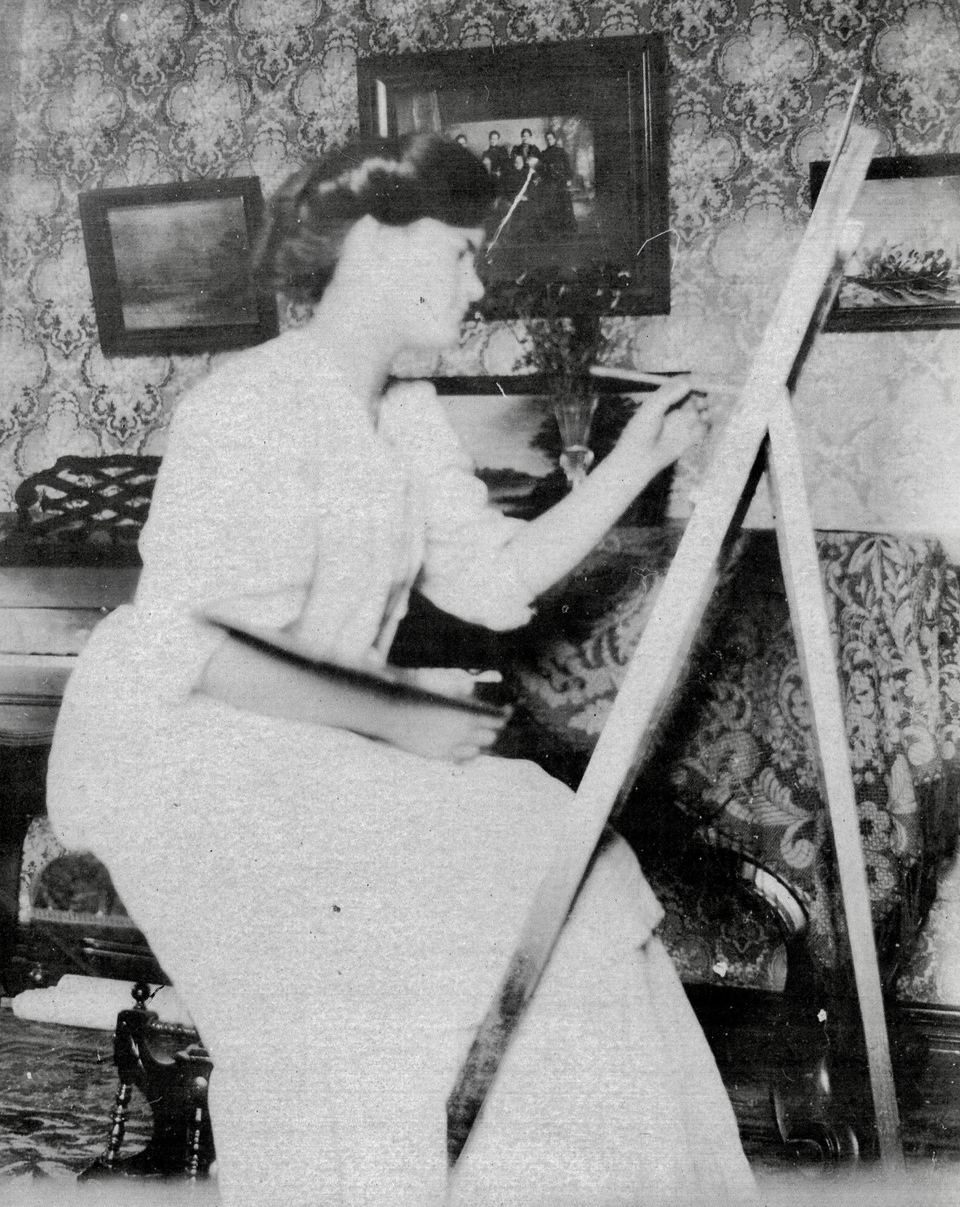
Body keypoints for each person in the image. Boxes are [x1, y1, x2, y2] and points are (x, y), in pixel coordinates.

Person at [46, 134, 757, 1207]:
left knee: (564, 866)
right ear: (378, 246)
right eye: (461, 253)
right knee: (400, 974)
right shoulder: (244, 408)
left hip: (320, 750)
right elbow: (196, 652)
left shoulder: (405, 413)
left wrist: (634, 463)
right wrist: (396, 715)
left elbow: (495, 580)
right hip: (188, 762)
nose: (478, 285)